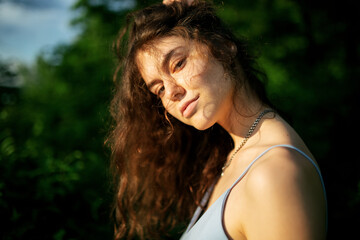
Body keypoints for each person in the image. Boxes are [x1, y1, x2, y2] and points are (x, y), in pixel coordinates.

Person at [107, 0, 327, 239]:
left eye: (178, 64)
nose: (170, 92)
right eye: (158, 89)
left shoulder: (273, 174)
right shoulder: (230, 160)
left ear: (222, 46)